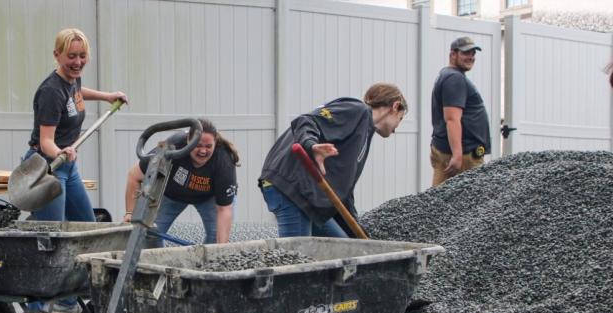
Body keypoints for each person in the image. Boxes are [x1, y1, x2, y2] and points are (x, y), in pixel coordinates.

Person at [25, 27, 127, 313]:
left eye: (82, 56)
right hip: (47, 167)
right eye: (71, 56)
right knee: (51, 238)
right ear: (57, 54)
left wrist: (107, 96)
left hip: (67, 166)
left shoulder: (72, 81)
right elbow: (46, 141)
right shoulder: (50, 92)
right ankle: (37, 311)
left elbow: (78, 93)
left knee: (86, 227)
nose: (78, 62)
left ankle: (68, 300)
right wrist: (60, 151)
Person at [259, 83, 407, 238]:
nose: (396, 129)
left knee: (345, 247)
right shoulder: (357, 110)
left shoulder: (364, 131)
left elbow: (343, 195)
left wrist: (360, 237)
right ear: (395, 107)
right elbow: (307, 121)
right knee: (298, 254)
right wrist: (311, 146)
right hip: (292, 186)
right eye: (400, 119)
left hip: (308, 197)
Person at [123, 118, 239, 245]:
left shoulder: (224, 161)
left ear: (215, 143)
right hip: (172, 195)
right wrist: (129, 212)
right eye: (198, 145)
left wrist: (220, 249)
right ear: (188, 141)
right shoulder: (172, 147)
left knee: (216, 238)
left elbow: (224, 209)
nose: (203, 151)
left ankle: (208, 263)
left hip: (209, 198)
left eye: (208, 146)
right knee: (150, 234)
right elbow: (134, 176)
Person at [430, 36, 491, 187]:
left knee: (439, 202)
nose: (470, 57)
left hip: (456, 152)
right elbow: (452, 119)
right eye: (465, 53)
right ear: (453, 54)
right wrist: (457, 155)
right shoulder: (454, 79)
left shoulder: (449, 76)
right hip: (463, 155)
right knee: (473, 204)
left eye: (473, 53)